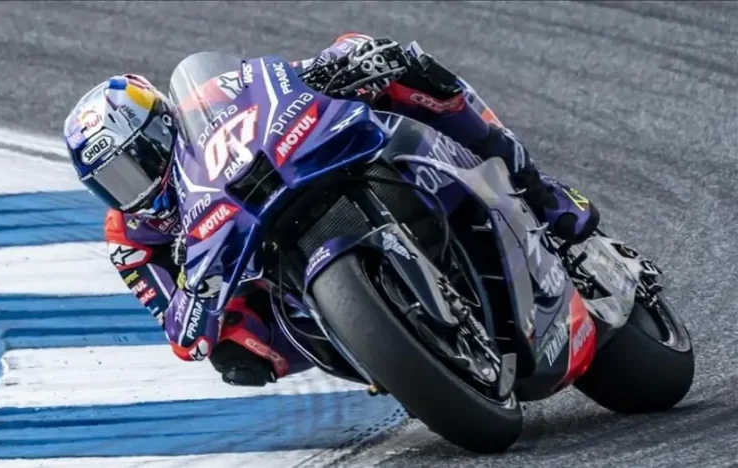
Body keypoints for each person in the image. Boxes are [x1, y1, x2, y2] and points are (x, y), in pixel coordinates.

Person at [62, 33, 600, 387]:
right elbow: (181, 335)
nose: (132, 188)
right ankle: (386, 354)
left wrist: (343, 63)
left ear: (163, 128)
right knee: (236, 354)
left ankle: (538, 189)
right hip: (266, 275)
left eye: (138, 162)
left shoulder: (207, 99)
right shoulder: (129, 240)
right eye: (112, 183)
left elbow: (278, 82)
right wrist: (198, 297)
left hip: (301, 168)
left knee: (397, 68)